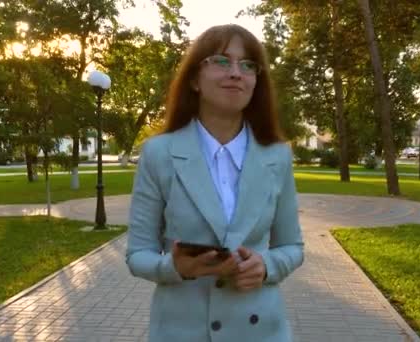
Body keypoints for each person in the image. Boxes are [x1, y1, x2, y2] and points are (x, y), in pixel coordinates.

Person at [125, 24, 304, 342]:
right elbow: (138, 254)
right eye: (221, 61)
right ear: (194, 79)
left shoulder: (277, 156)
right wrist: (176, 268)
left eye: (247, 65)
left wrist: (266, 266)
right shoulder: (158, 153)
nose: (236, 72)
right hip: (181, 331)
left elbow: (292, 247)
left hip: (261, 331)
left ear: (255, 82)